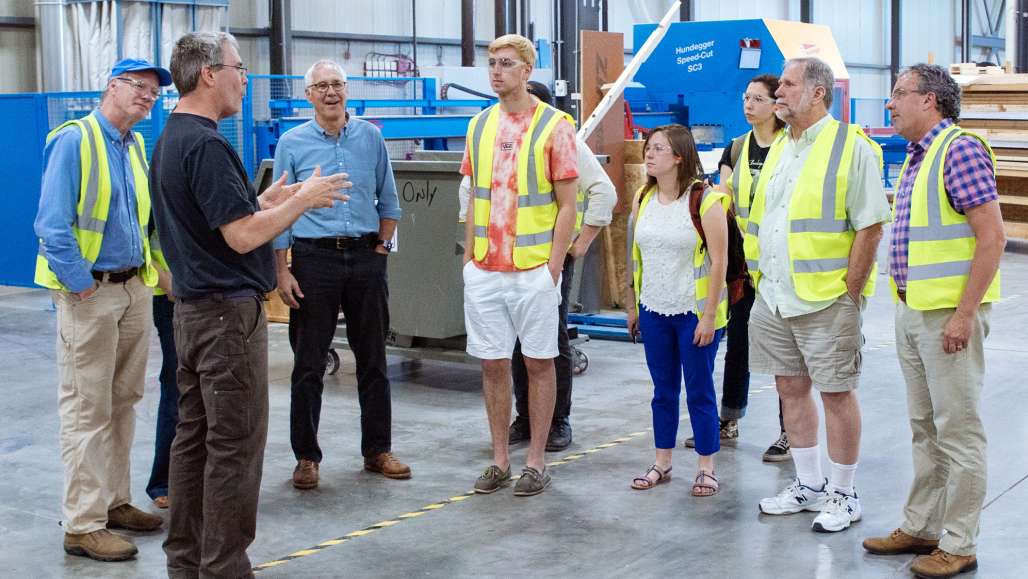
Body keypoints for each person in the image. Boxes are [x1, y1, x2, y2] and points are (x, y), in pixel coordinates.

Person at [152, 32, 349, 577]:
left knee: (193, 443)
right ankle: (225, 568)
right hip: (224, 320)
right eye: (239, 68)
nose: (244, 78)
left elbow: (213, 221)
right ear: (210, 73)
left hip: (193, 314)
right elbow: (240, 238)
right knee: (235, 449)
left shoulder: (174, 136)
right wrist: (305, 200)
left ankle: (187, 562)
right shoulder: (209, 144)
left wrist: (265, 201)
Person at [863, 64, 1004, 579]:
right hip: (914, 311)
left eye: (899, 94)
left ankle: (960, 542)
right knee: (925, 428)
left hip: (947, 316)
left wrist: (965, 314)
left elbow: (992, 237)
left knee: (959, 432)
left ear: (931, 101)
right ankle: (923, 525)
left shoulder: (958, 149)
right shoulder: (918, 158)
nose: (890, 103)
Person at [34, 57, 173, 563]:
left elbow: (142, 222)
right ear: (111, 86)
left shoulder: (134, 145)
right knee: (87, 409)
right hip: (90, 295)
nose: (147, 98)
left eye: (154, 94)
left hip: (134, 289)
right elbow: (51, 225)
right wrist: (81, 286)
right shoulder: (75, 139)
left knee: (123, 402)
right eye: (138, 87)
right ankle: (82, 525)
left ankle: (113, 503)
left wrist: (154, 274)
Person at [747, 57, 890, 533]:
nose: (778, 91)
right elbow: (768, 220)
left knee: (836, 393)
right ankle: (808, 485)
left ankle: (844, 493)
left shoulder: (853, 148)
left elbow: (870, 227)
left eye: (788, 84)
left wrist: (850, 292)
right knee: (789, 386)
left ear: (817, 93)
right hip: (775, 294)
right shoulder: (780, 148)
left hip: (827, 296)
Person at [458, 80, 616, 452]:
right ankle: (526, 418)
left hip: (545, 260)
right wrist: (471, 253)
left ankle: (557, 420)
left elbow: (603, 192)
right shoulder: (488, 134)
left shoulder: (563, 138)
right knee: (513, 347)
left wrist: (576, 248)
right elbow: (471, 191)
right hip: (497, 259)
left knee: (549, 346)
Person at [274, 59, 408, 490]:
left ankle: (377, 450)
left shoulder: (370, 138)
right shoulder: (292, 143)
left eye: (337, 84)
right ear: (308, 94)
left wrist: (382, 248)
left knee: (373, 359)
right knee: (308, 364)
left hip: (365, 257)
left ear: (347, 90)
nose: (331, 93)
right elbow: (277, 212)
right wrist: (282, 270)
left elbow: (389, 198)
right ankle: (306, 458)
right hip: (314, 262)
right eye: (321, 86)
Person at [461, 34, 578, 496]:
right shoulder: (479, 125)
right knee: (492, 365)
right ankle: (499, 461)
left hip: (532, 270)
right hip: (487, 269)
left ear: (527, 70)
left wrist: (553, 266)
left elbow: (568, 204)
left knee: (539, 363)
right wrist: (470, 255)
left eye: (505, 63)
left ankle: (535, 462)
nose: (495, 71)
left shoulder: (555, 126)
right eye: (491, 63)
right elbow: (474, 195)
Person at [687, 73, 791, 462]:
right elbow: (725, 193)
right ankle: (729, 418)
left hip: (781, 263)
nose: (748, 104)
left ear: (775, 105)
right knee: (739, 345)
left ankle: (789, 431)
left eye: (757, 99)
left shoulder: (790, 144)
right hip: (745, 265)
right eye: (745, 98)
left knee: (785, 352)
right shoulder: (736, 147)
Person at [623, 124, 730, 497]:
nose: (649, 155)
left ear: (679, 156)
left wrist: (710, 316)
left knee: (699, 391)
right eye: (648, 148)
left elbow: (719, 262)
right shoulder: (642, 197)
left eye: (658, 149)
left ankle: (706, 466)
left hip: (693, 312)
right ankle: (662, 462)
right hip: (653, 308)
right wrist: (633, 304)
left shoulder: (707, 202)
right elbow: (635, 256)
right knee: (662, 391)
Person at [146, 228, 176, 510]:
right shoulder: (154, 183)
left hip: (210, 291)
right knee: (176, 387)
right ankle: (163, 481)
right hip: (172, 297)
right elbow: (141, 242)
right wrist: (168, 284)